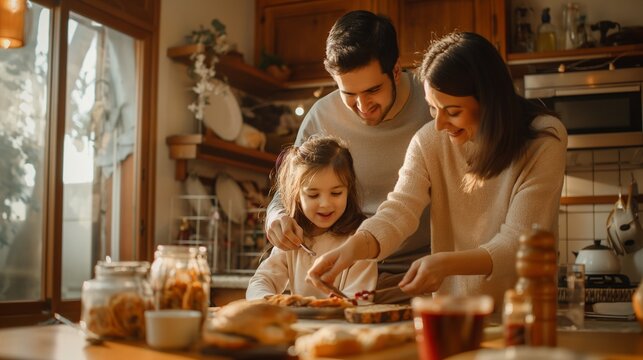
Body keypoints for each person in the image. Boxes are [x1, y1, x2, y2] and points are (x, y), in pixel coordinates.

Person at [307, 31, 568, 307]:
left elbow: (519, 242)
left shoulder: (543, 139)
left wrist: (445, 264)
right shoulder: (429, 139)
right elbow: (400, 210)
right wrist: (353, 248)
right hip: (453, 311)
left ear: (489, 101)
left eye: (453, 111)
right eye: (432, 109)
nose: (440, 124)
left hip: (524, 310)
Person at [264, 10, 431, 303]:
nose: (363, 105)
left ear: (395, 71)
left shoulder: (431, 105)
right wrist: (276, 216)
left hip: (419, 277)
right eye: (349, 93)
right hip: (342, 274)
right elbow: (288, 189)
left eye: (373, 90)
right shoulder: (321, 116)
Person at [246, 136, 377, 300]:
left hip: (343, 324)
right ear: (297, 195)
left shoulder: (360, 240)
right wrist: (267, 303)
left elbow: (361, 300)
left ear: (348, 191)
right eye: (313, 195)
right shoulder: (293, 237)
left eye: (336, 193)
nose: (325, 204)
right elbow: (261, 281)